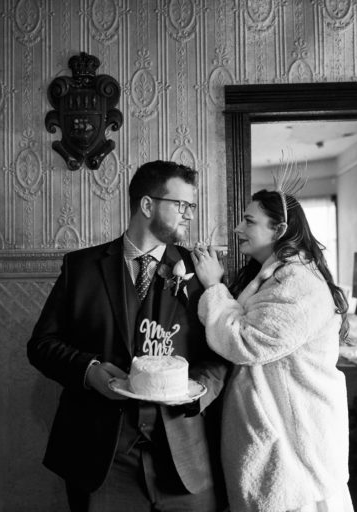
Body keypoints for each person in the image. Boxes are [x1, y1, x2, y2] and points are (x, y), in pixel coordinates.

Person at [28, 160, 229, 512]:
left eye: (192, 206)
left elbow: (222, 352)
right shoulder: (81, 268)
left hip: (185, 459)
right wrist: (89, 371)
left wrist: (197, 391)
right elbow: (42, 345)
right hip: (100, 459)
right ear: (147, 205)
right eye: (181, 204)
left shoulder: (202, 271)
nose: (190, 215)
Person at [190, 188, 354, 512]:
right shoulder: (274, 275)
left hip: (296, 445)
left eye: (249, 221)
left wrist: (213, 286)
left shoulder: (299, 283)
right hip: (279, 428)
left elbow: (245, 343)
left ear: (279, 230)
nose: (238, 228)